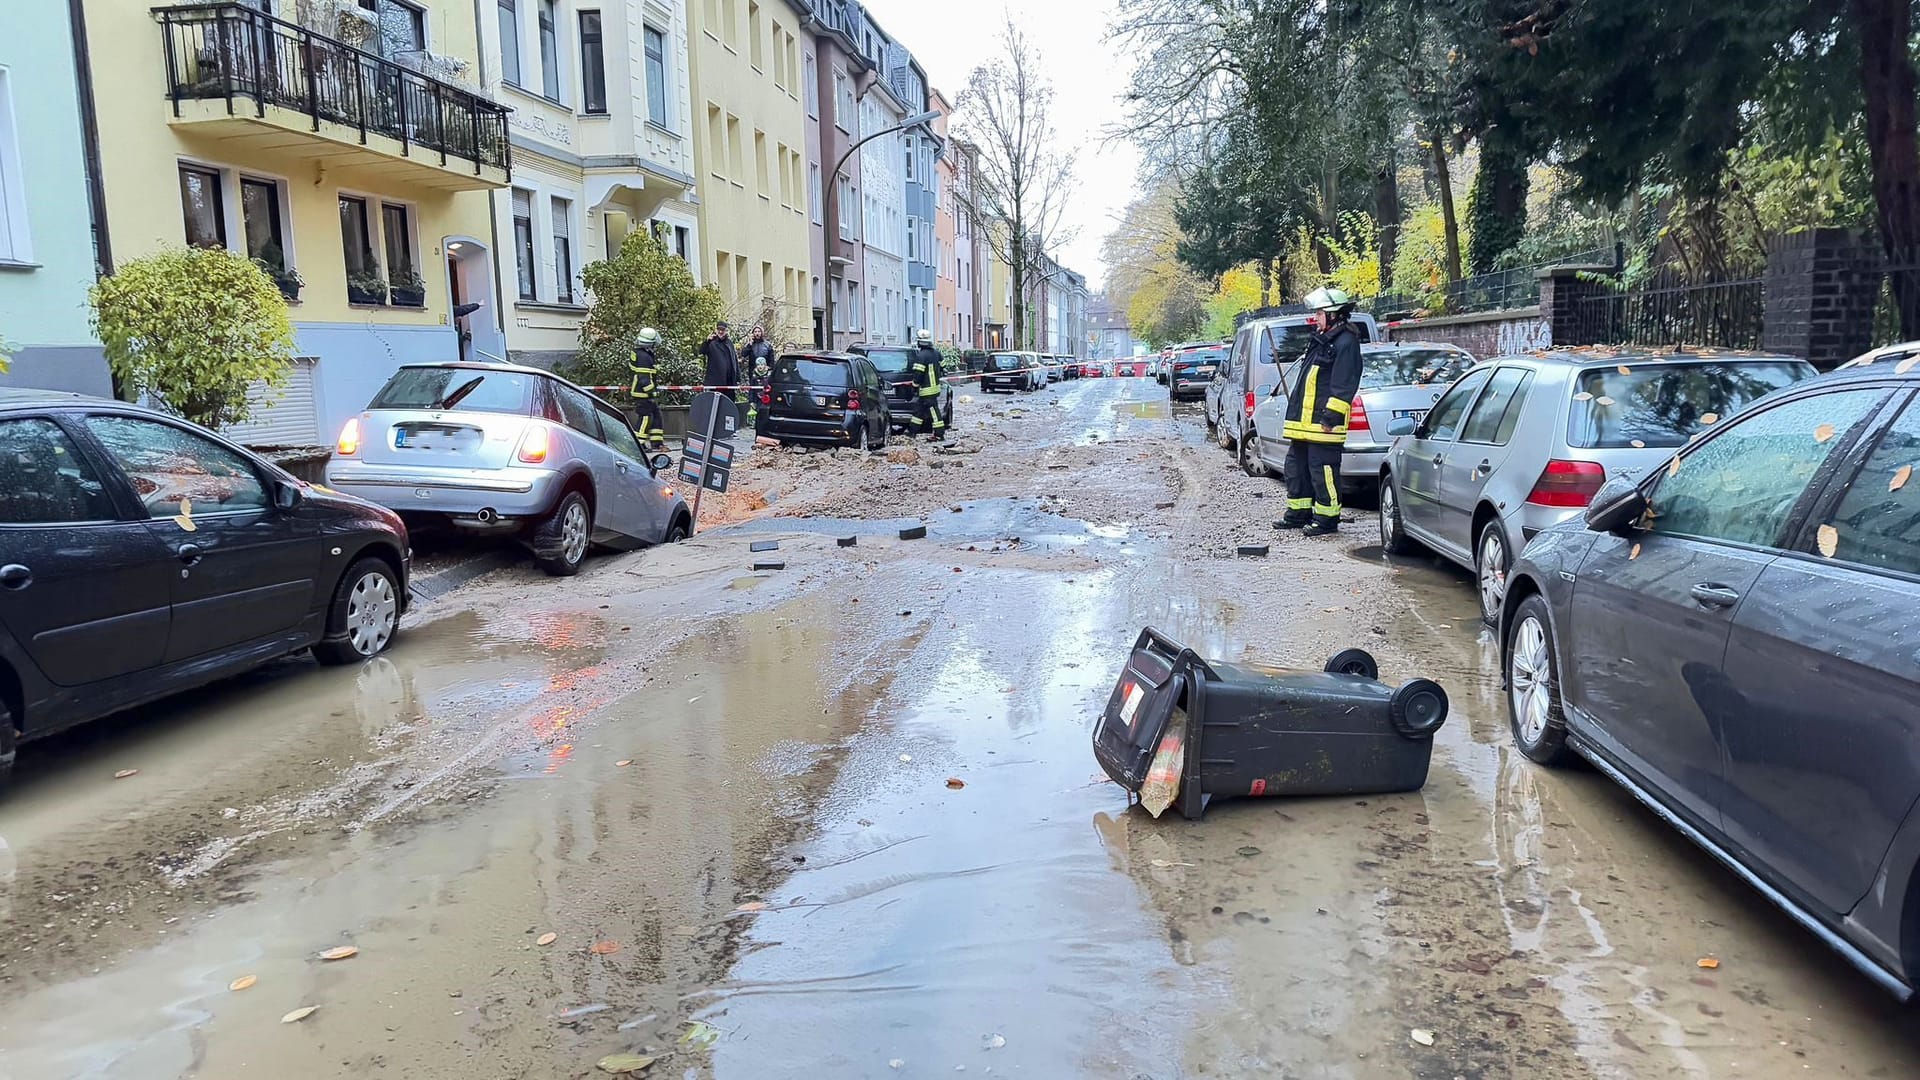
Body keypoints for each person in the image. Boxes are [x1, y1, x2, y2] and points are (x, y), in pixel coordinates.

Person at [1276, 286, 1363, 537]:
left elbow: (1343, 384)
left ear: (1334, 314)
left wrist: (1330, 418)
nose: (1316, 318)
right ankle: (1298, 513)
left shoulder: (1346, 343)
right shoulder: (1323, 339)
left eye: (1320, 313)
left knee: (1322, 471)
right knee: (1296, 468)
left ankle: (1326, 519)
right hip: (1304, 424)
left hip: (1323, 424)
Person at [627, 327, 667, 451]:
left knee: (656, 415)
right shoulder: (643, 357)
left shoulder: (644, 353)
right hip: (642, 394)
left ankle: (657, 443)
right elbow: (644, 378)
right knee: (646, 417)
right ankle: (639, 444)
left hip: (643, 393)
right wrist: (652, 392)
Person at [908, 329, 946, 441]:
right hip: (935, 388)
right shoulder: (936, 353)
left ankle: (939, 433)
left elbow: (918, 374)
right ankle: (912, 432)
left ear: (919, 342)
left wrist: (914, 386)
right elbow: (943, 366)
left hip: (926, 389)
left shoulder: (921, 356)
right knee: (919, 410)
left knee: (934, 411)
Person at [739, 324, 776, 427]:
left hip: (765, 375)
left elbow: (772, 359)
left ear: (762, 333)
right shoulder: (750, 345)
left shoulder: (767, 345)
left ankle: (764, 419)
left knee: (765, 395)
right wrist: (749, 344)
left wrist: (769, 368)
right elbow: (743, 354)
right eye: (755, 332)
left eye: (759, 331)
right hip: (754, 374)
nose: (757, 333)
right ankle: (755, 419)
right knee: (754, 395)